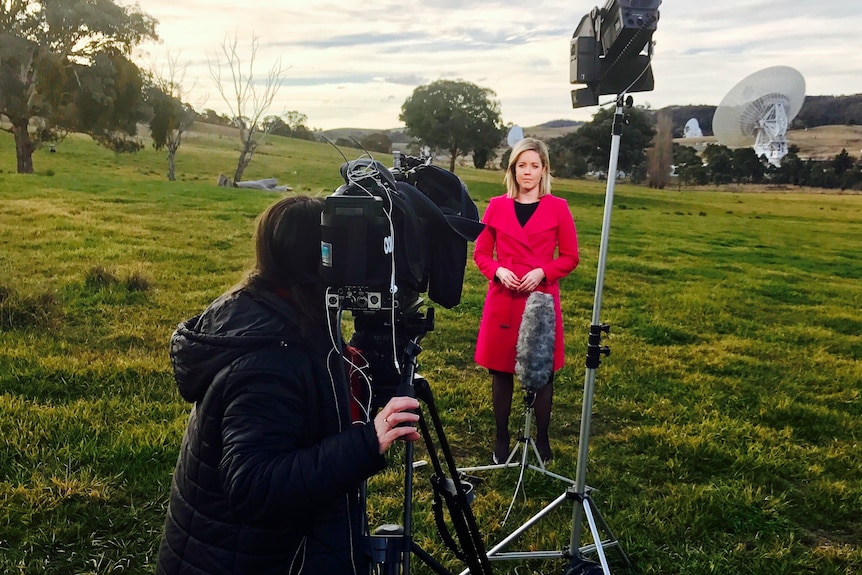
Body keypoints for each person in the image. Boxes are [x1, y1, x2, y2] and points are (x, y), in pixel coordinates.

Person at [156, 195, 421, 575]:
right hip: (240, 560)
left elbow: (304, 401)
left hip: (248, 552)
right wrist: (367, 441)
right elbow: (253, 484)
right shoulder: (269, 358)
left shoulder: (271, 308)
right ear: (321, 261)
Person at [473, 138, 579, 465]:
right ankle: (501, 436)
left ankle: (542, 438)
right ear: (513, 169)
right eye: (522, 165)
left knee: (542, 373)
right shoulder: (496, 206)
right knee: (501, 372)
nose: (527, 172)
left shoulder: (558, 207)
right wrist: (498, 270)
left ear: (544, 169)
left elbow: (571, 257)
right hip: (504, 298)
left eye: (534, 166)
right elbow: (480, 253)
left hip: (540, 302)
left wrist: (543, 272)